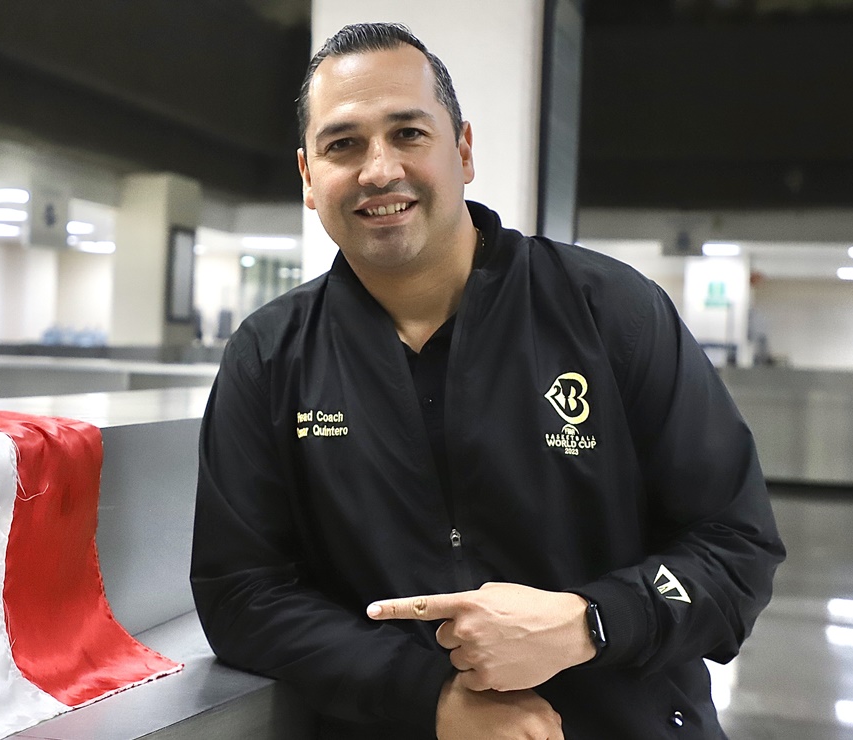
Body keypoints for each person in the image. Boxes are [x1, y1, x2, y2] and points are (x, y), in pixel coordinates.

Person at [190, 21, 784, 740]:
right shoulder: (269, 356)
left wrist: (590, 621)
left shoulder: (609, 313)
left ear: (462, 150)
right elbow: (241, 594)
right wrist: (429, 697)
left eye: (408, 133)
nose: (378, 170)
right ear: (309, 180)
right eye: (342, 144)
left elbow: (734, 546)